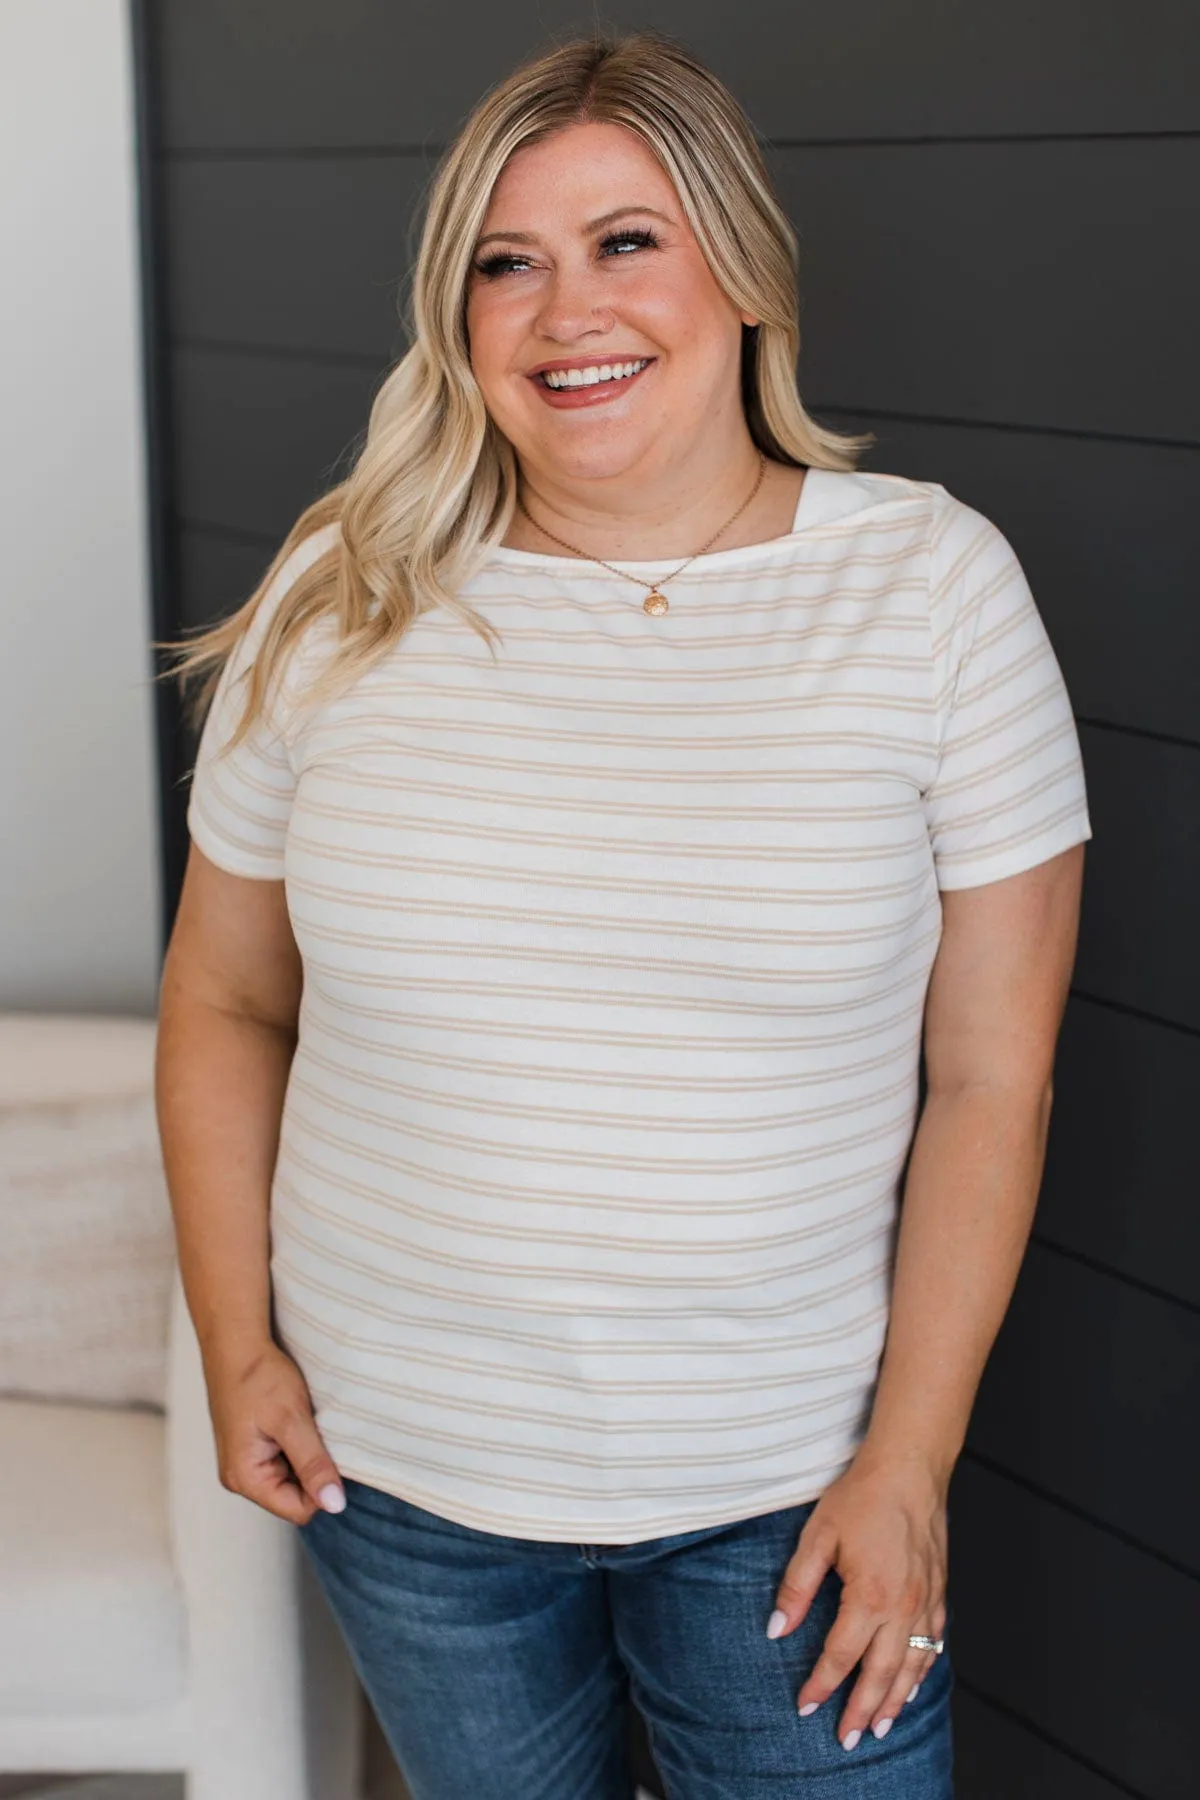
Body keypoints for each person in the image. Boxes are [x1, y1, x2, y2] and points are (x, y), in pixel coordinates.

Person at [154, 29, 1090, 1800]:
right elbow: (222, 999)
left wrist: (910, 1462)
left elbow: (992, 1081)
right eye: (506, 263)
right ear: (458, 315)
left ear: (741, 268)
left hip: (787, 1502)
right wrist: (237, 1341)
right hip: (401, 1482)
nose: (564, 308)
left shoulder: (929, 588)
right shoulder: (341, 588)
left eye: (624, 242)